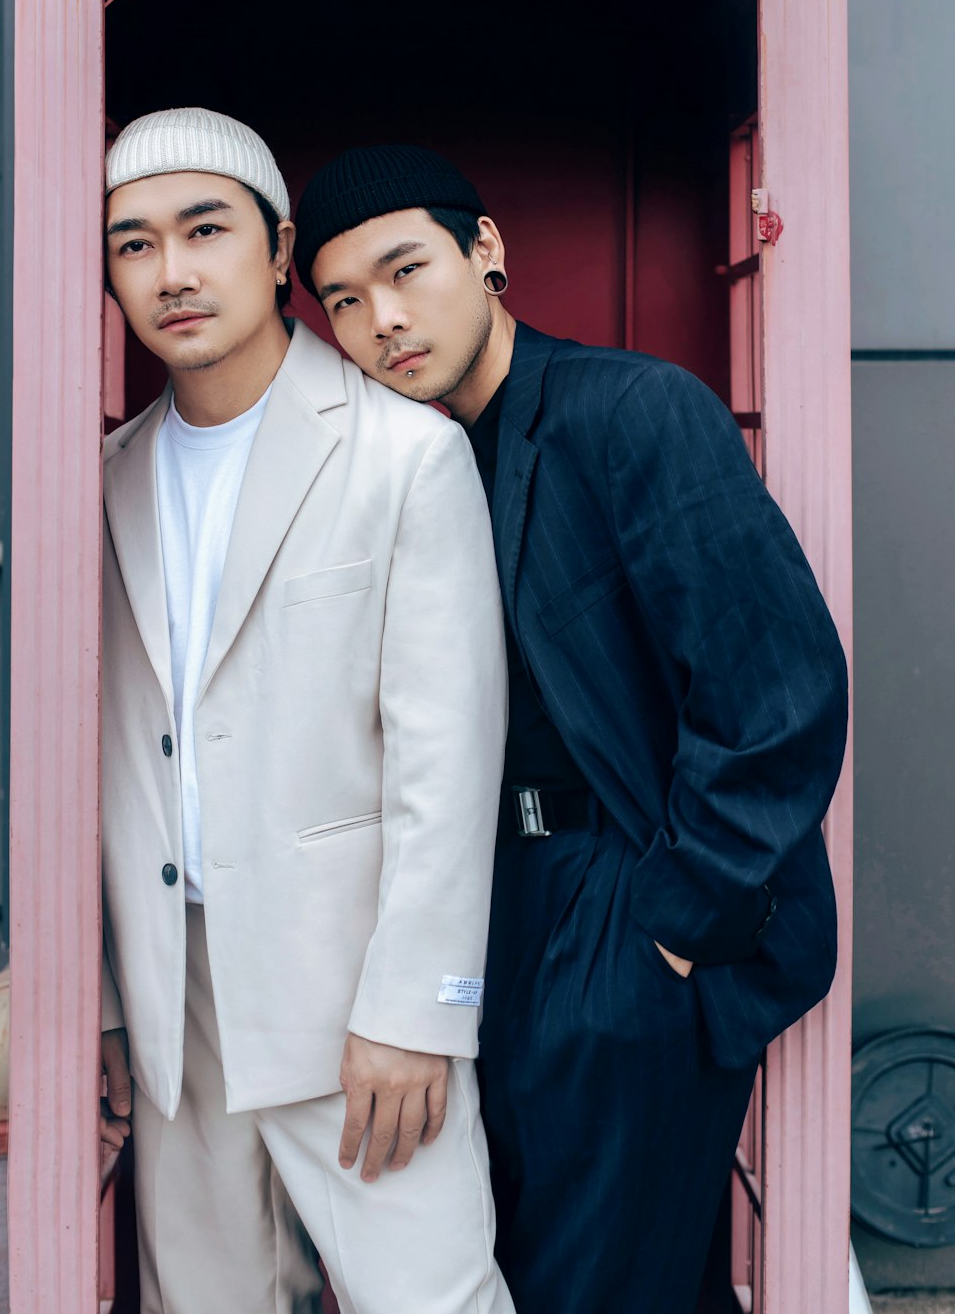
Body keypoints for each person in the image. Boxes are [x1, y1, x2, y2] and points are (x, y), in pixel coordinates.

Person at [291, 144, 850, 1314]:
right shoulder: (392, 466)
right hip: (477, 908)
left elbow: (777, 686)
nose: (382, 320)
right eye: (343, 301)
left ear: (484, 252)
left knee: (592, 1282)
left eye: (404, 271)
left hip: (616, 900)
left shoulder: (628, 412)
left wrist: (676, 926)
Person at [97, 110, 515, 1314]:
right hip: (177, 1004)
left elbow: (447, 760)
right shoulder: (106, 474)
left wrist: (417, 1012)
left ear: (278, 252)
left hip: (356, 998)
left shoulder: (405, 457)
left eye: (205, 230)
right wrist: (113, 1007)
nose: (172, 271)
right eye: (133, 244)